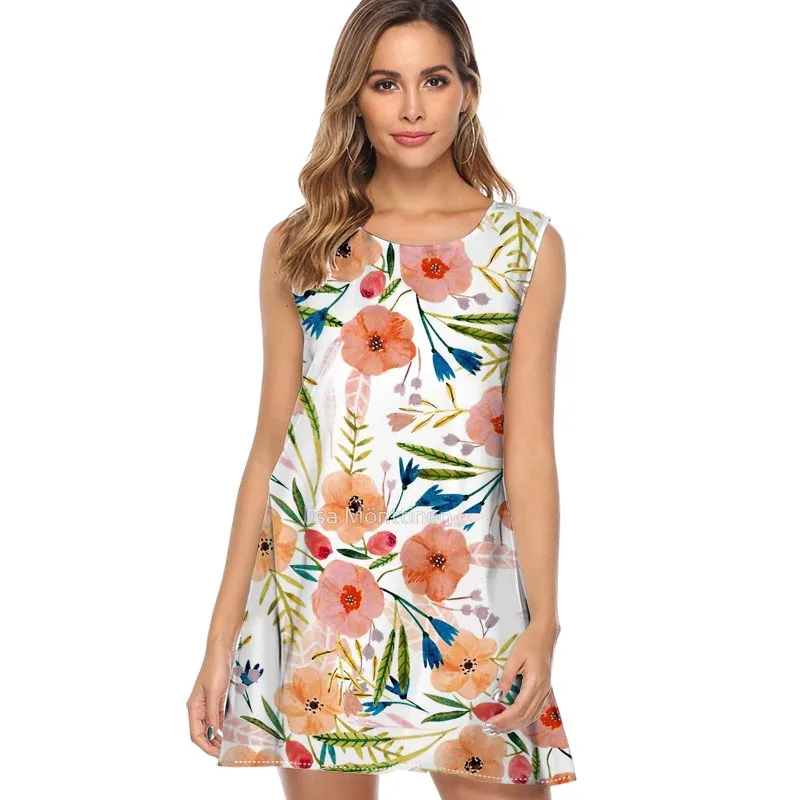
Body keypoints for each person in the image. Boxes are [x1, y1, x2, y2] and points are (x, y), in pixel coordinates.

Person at [187, 0, 577, 796]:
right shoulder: (302, 245)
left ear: (468, 90)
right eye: (385, 83)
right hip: (324, 599)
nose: (411, 109)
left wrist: (544, 620)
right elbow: (270, 449)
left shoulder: (524, 247)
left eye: (433, 80)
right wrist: (221, 635)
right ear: (354, 97)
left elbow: (530, 451)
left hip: (473, 611)